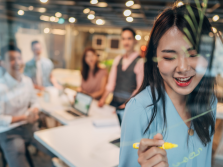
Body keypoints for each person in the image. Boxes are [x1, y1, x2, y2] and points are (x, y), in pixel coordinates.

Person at [119, 4, 217, 167]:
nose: (183, 68)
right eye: (169, 58)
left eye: (194, 55)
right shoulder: (140, 109)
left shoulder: (209, 101)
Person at [0, 45, 55, 167]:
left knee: (57, 152)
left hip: (29, 127)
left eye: (19, 58)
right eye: (11, 59)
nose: (17, 62)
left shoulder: (27, 81)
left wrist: (33, 111)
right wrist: (25, 117)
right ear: (2, 63)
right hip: (9, 132)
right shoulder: (1, 86)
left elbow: (35, 101)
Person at [98, 27, 144, 108]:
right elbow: (111, 84)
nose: (126, 42)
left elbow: (139, 89)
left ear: (135, 41)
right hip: (114, 102)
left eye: (129, 39)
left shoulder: (140, 62)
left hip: (130, 105)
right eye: (123, 39)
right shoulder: (118, 59)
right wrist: (102, 99)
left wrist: (126, 105)